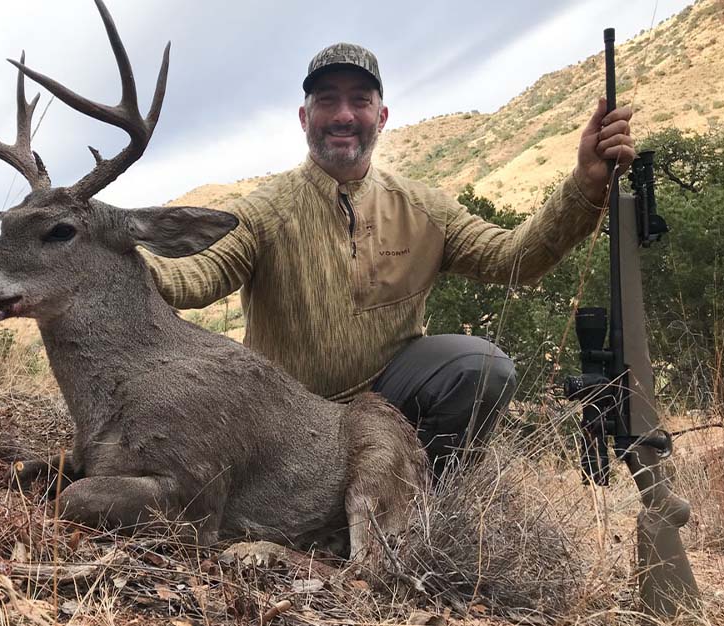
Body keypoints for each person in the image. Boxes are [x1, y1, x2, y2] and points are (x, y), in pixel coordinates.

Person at [142, 43, 635, 478]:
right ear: (303, 116)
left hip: (389, 404)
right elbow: (194, 276)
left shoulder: (423, 208)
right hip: (285, 421)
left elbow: (515, 259)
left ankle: (424, 499)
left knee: (482, 367)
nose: (343, 114)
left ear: (381, 117)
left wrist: (585, 185)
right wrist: (125, 262)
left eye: (359, 100)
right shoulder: (263, 211)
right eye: (327, 100)